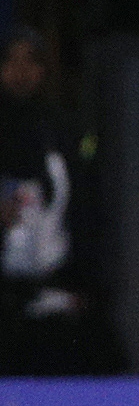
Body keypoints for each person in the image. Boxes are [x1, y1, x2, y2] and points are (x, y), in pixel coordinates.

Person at [0, 26, 121, 376]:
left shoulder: (63, 131)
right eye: (10, 61)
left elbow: (88, 214)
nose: (21, 72)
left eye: (32, 61)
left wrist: (85, 286)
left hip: (55, 295)